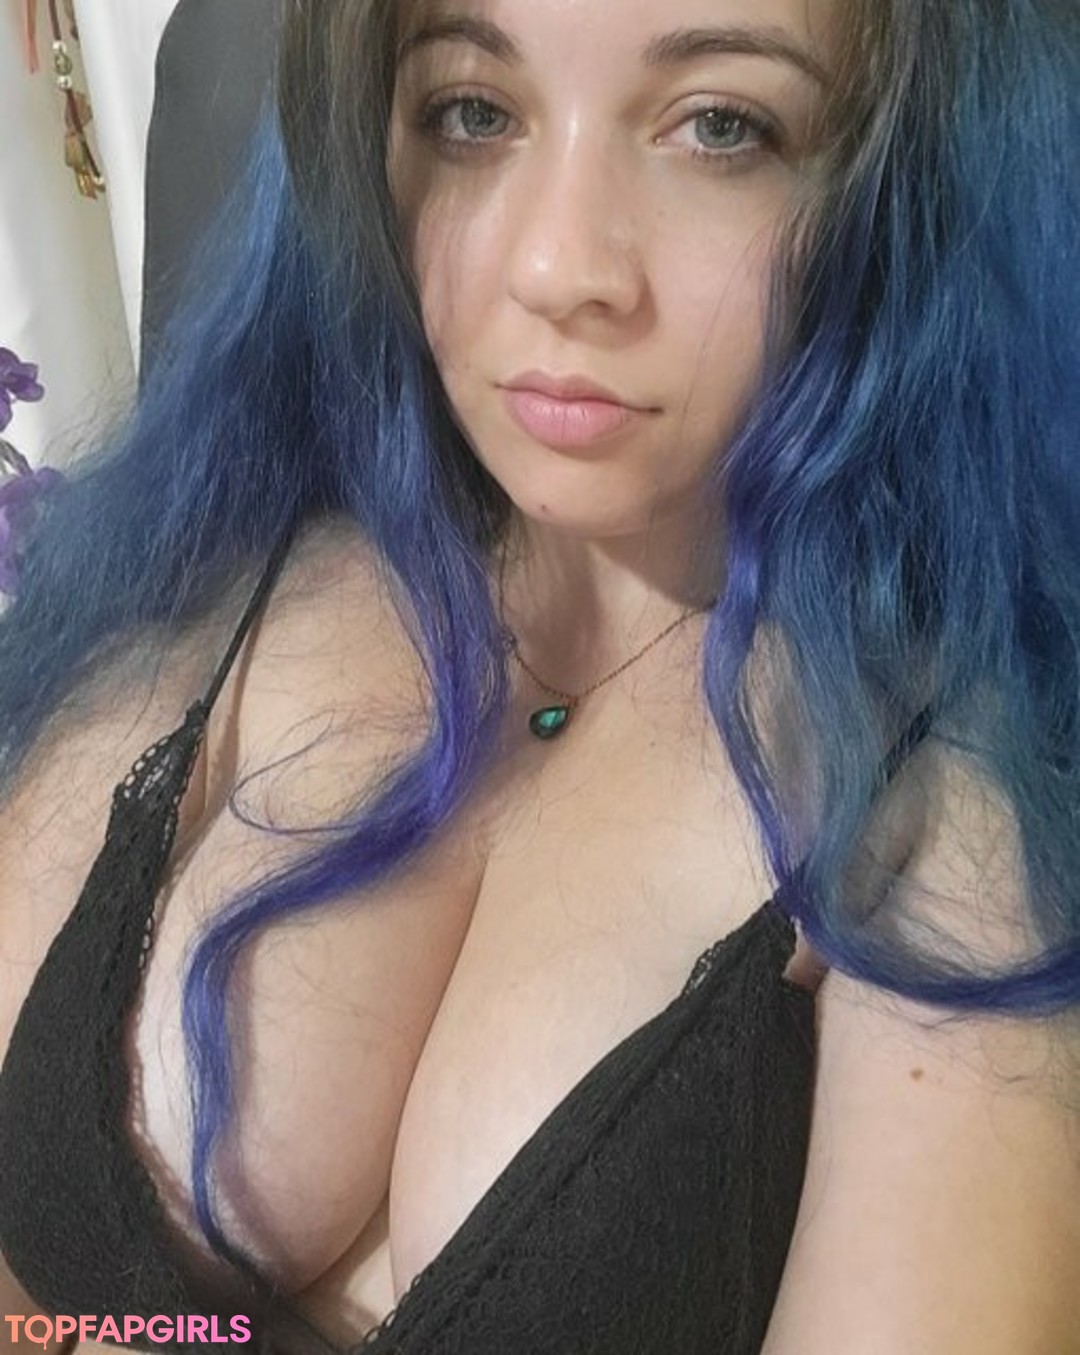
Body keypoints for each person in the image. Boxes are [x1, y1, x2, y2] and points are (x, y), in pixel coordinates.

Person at [1, 0, 1078, 1351]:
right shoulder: (211, 573)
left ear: (909, 172)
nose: (562, 266)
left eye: (721, 127)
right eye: (473, 111)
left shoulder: (961, 823)